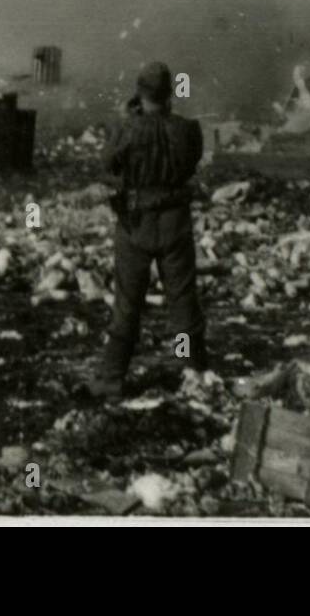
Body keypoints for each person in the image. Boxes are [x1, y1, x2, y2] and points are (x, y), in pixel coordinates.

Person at [89, 61, 206, 399]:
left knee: (128, 303)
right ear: (169, 94)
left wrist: (132, 117)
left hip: (135, 225)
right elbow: (190, 160)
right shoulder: (187, 129)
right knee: (183, 301)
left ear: (139, 94)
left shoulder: (125, 129)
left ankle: (112, 378)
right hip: (174, 223)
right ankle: (195, 370)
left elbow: (108, 163)